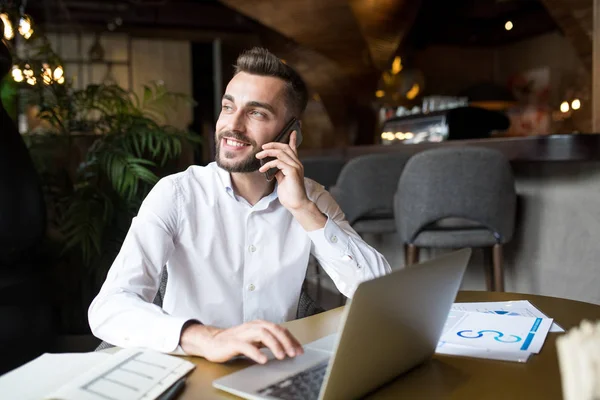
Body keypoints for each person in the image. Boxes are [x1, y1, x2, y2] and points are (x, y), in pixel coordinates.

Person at [88, 47, 391, 365]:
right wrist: (208, 338)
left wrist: (302, 208)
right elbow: (109, 307)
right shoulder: (177, 194)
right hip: (192, 367)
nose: (233, 125)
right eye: (228, 107)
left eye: (257, 113)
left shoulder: (310, 198)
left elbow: (382, 293)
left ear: (291, 134)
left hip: (275, 369)